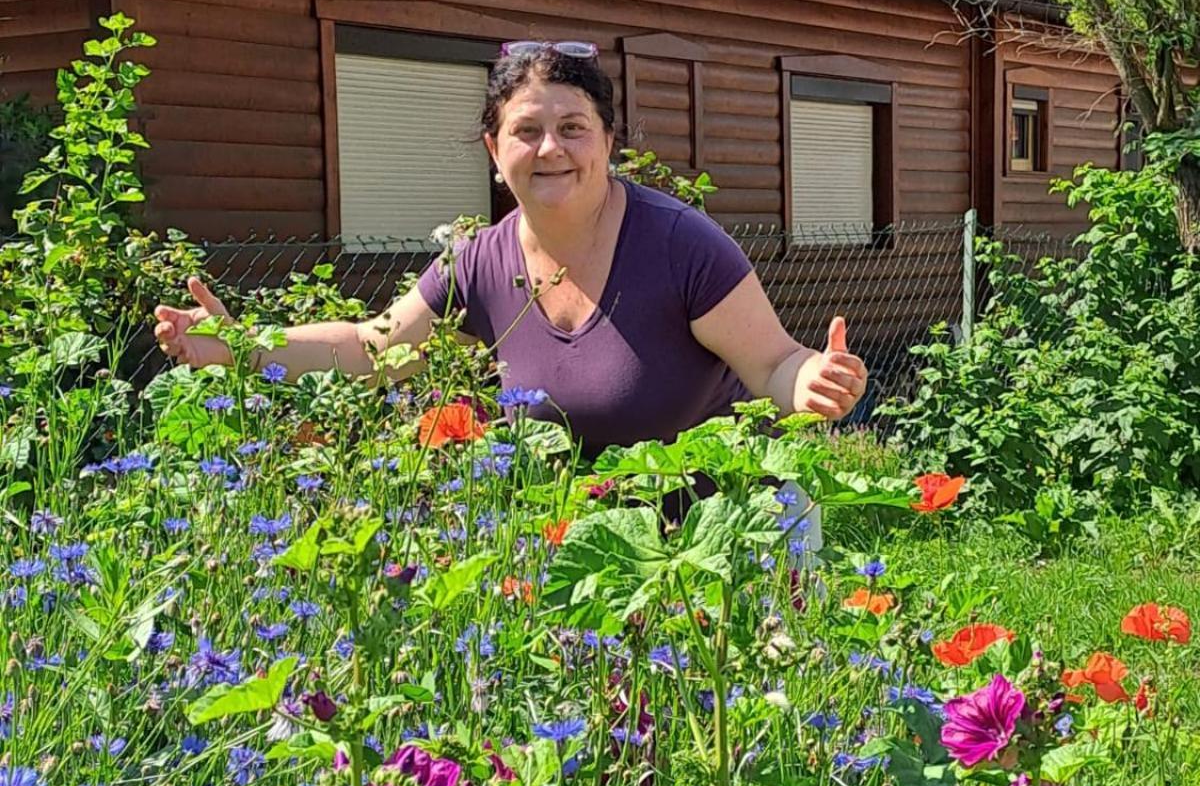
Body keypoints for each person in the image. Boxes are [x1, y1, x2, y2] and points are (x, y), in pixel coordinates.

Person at [154, 42, 868, 476]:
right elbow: (374, 348)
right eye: (526, 131)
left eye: (573, 128)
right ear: (496, 153)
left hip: (722, 542)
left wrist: (813, 381)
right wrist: (242, 346)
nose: (551, 148)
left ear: (608, 142)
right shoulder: (478, 264)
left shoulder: (680, 245)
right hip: (574, 551)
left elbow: (772, 363)